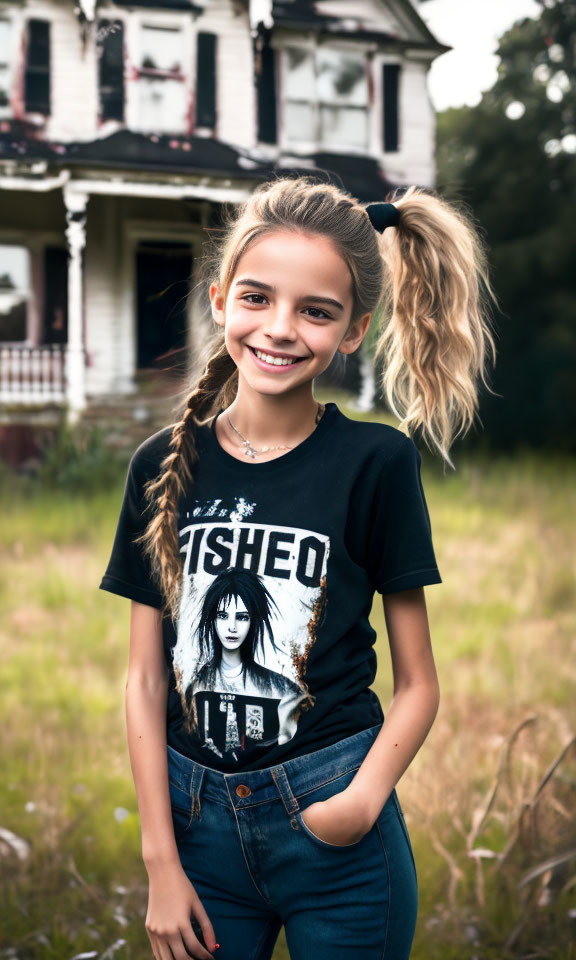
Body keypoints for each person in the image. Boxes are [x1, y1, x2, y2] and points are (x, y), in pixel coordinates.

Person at [99, 175, 497, 960]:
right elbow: (146, 680)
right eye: (257, 298)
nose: (280, 329)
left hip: (336, 828)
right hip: (196, 833)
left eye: (316, 311)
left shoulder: (374, 462)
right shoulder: (160, 467)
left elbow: (419, 683)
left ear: (353, 331)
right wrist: (160, 864)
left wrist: (362, 801)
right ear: (219, 299)